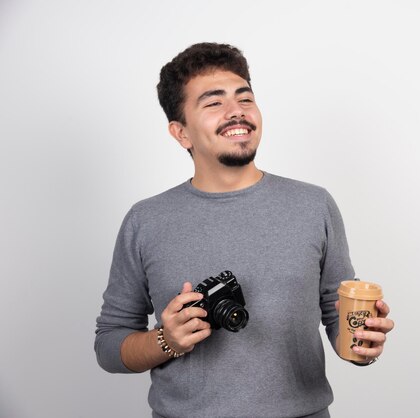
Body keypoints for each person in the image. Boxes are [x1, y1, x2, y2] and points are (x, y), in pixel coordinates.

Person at [95, 42, 394, 418]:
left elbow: (339, 317)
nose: (236, 111)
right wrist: (166, 340)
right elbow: (110, 344)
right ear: (181, 133)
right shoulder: (146, 220)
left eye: (245, 98)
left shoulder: (314, 205)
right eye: (213, 102)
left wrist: (364, 345)